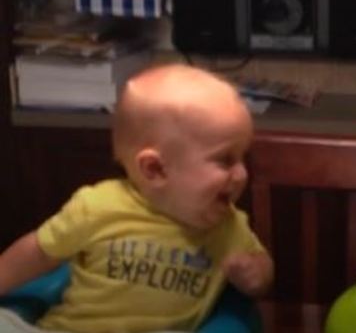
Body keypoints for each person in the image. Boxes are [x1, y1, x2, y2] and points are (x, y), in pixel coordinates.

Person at [0, 64, 273, 332]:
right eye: (226, 160)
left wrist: (257, 275)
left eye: (242, 158)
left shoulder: (228, 226)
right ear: (155, 169)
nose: (241, 174)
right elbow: (38, 252)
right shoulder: (97, 207)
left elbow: (260, 269)